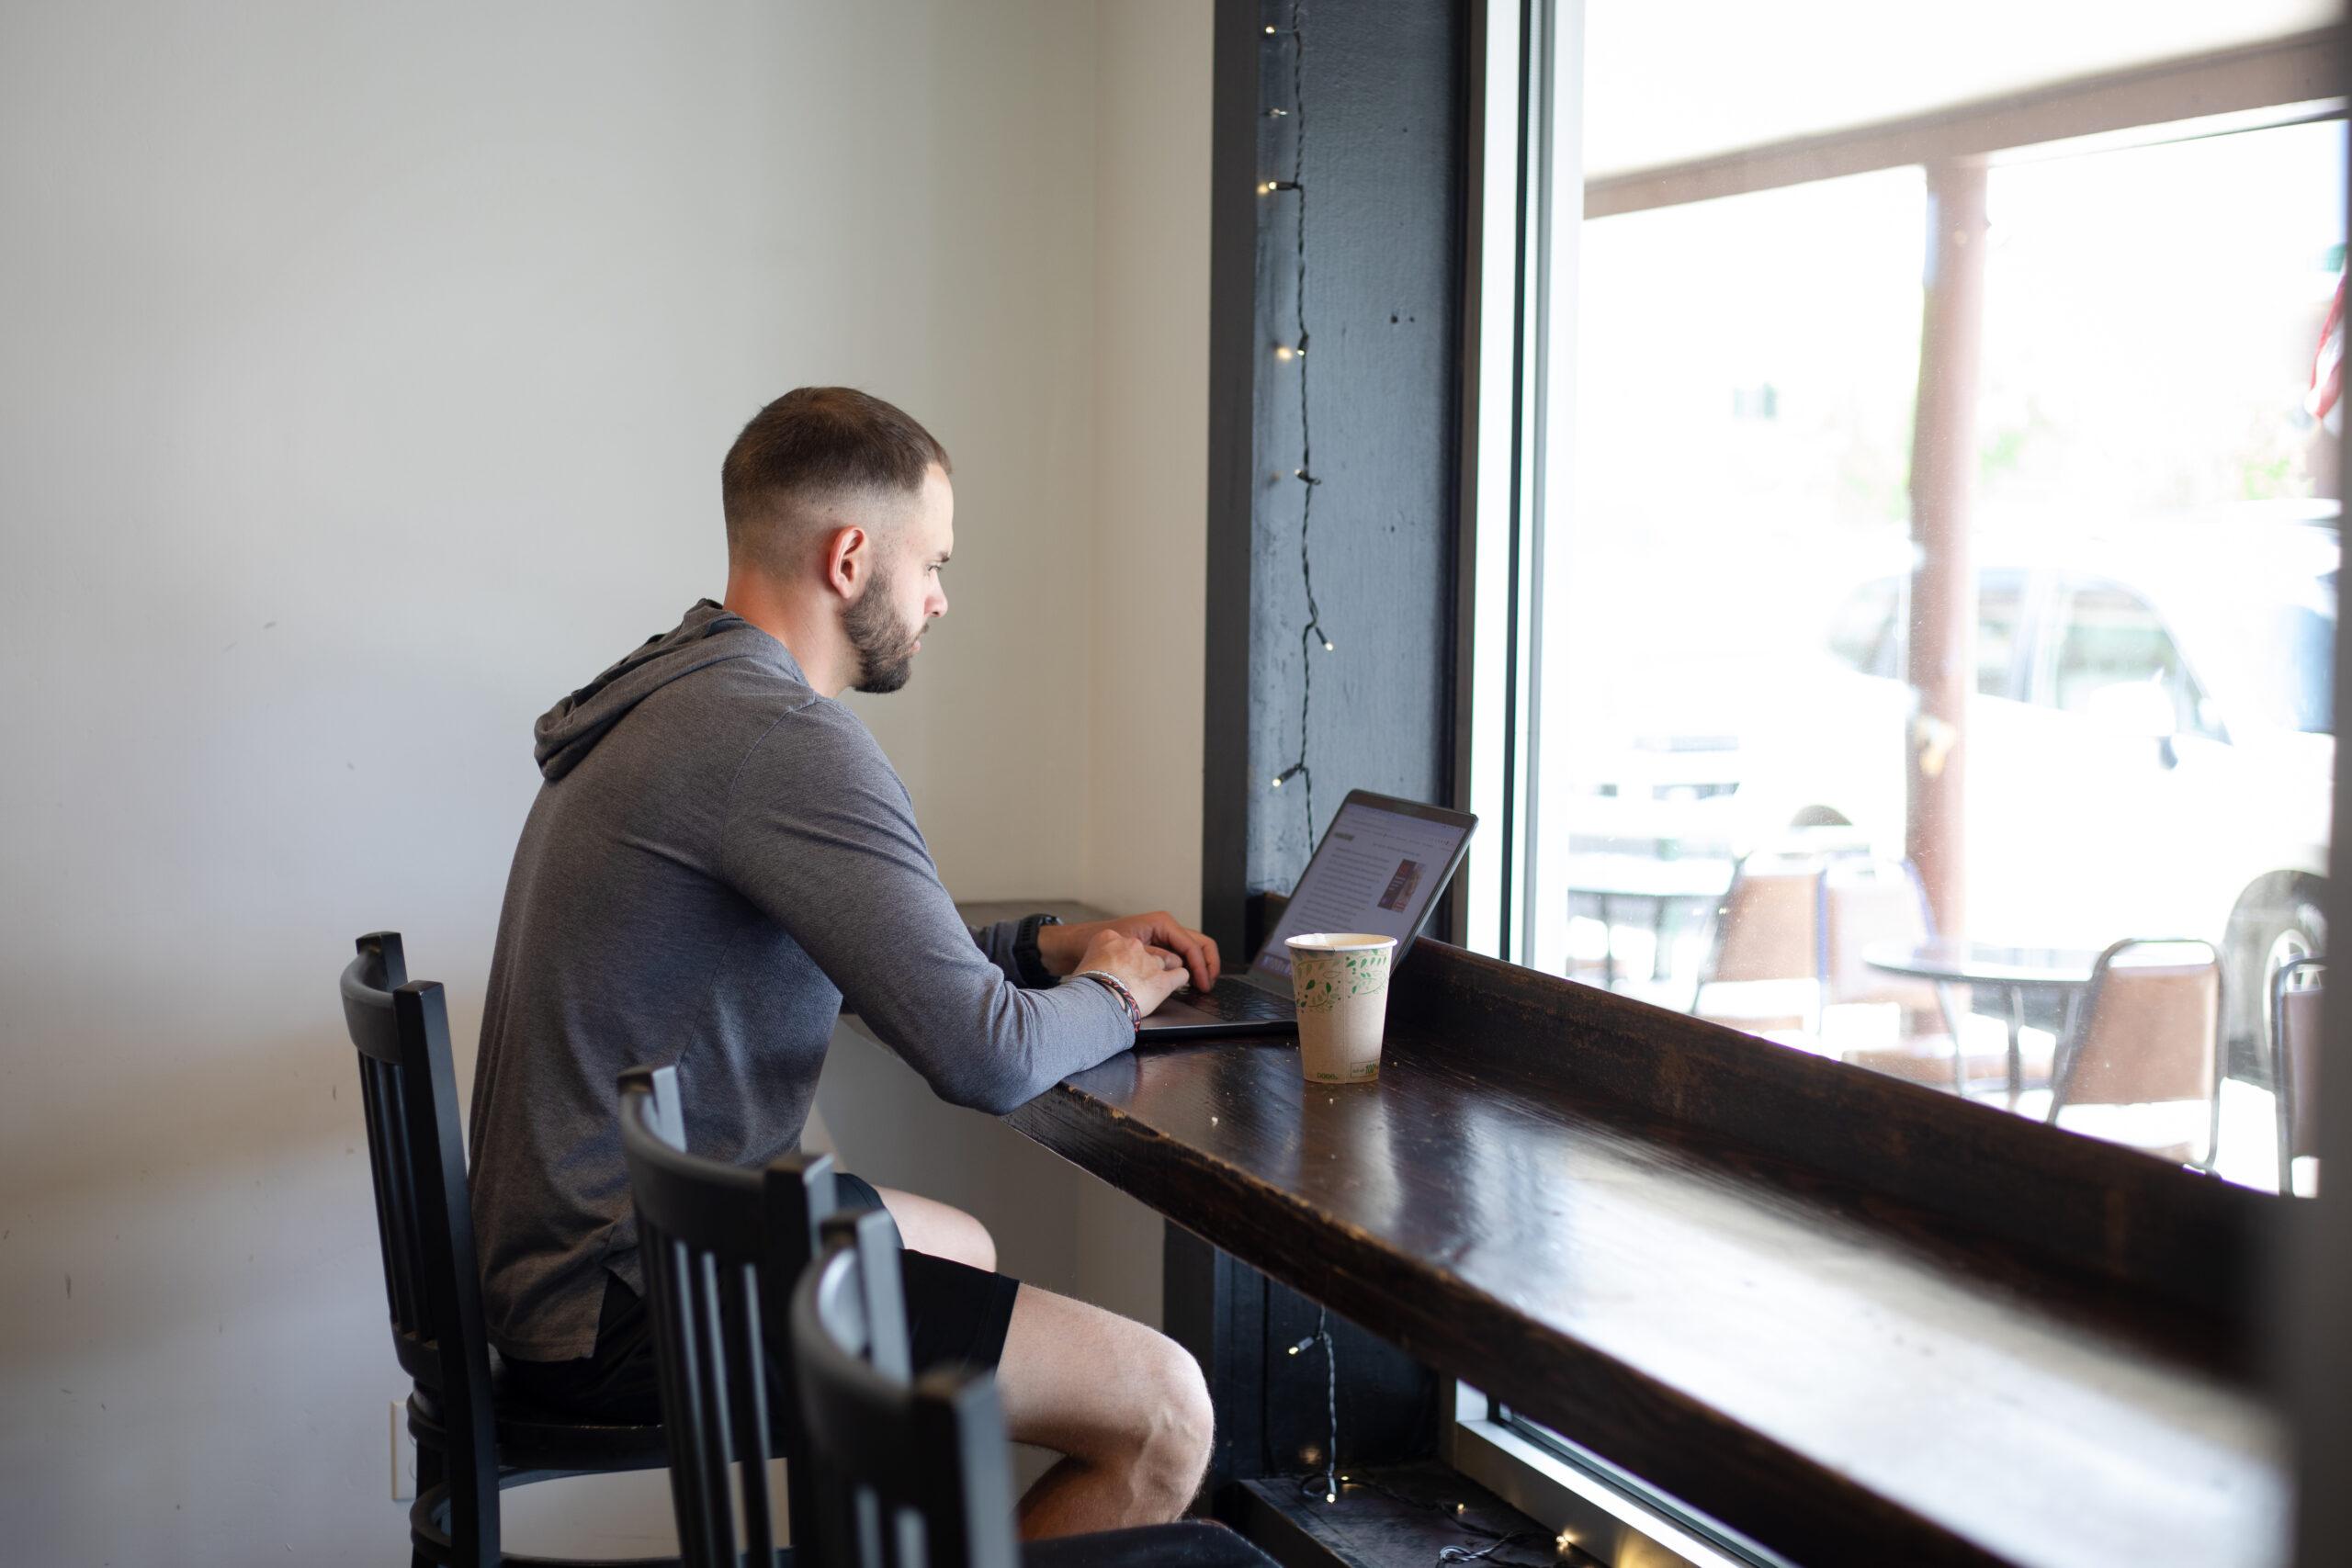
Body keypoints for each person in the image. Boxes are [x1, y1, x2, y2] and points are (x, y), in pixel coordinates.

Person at [467, 386, 1220, 1538]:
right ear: (852, 556)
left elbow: (865, 951)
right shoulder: (779, 740)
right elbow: (982, 1056)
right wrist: (1116, 991)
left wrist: (1041, 949)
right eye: (933, 562)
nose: (939, 599)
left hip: (567, 1267)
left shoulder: (680, 693)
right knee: (1166, 1410)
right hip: (626, 1302)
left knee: (958, 1246)